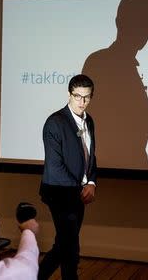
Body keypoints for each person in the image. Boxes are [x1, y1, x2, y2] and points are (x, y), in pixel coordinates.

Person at [82, 0, 148, 169]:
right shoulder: (99, 63)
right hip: (110, 174)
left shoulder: (125, 65)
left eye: (146, 23)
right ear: (119, 21)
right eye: (134, 21)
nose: (141, 29)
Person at [38, 74, 97, 280]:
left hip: (78, 193)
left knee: (66, 245)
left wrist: (91, 182)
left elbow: (90, 156)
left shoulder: (89, 121)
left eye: (86, 97)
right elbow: (55, 167)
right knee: (69, 246)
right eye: (77, 96)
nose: (82, 102)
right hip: (59, 193)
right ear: (69, 94)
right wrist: (81, 188)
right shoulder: (55, 122)